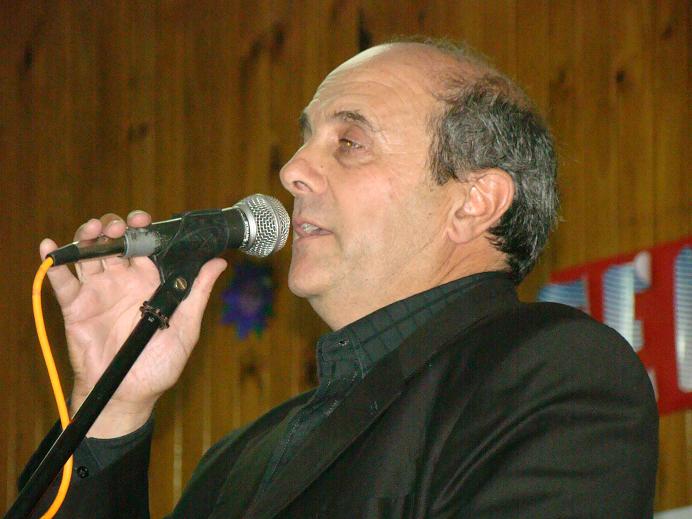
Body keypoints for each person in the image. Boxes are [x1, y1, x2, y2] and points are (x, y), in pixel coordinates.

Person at [21, 39, 658, 518]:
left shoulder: (552, 371)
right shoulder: (239, 459)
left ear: (474, 202)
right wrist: (112, 407)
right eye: (305, 140)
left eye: (349, 142)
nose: (292, 170)